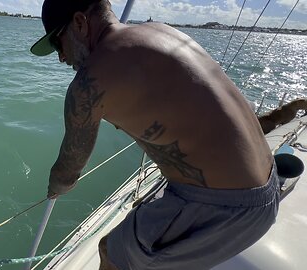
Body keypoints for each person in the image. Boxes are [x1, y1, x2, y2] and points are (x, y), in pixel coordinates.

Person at [30, 0, 280, 269]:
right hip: (269, 184)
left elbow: (68, 172)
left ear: (80, 23)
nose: (61, 57)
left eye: (58, 44)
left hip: (227, 208)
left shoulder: (88, 84)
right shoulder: (162, 32)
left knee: (112, 252)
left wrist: (54, 188)